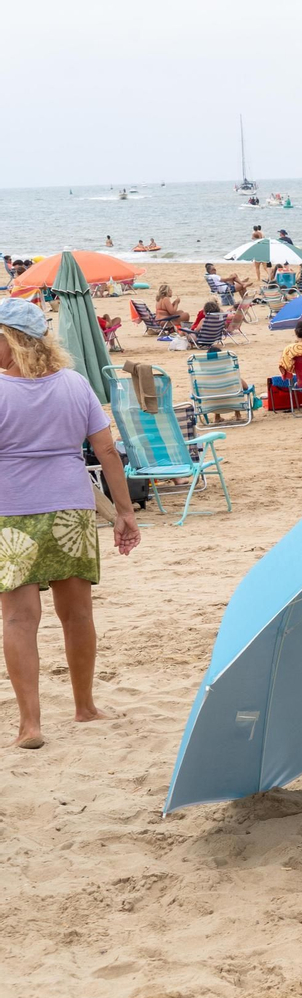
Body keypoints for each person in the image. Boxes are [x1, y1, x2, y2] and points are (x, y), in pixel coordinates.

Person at [0, 299, 140, 750]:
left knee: (20, 618)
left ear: (12, 340)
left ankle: (31, 725)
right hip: (71, 510)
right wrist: (124, 511)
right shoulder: (75, 385)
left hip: (11, 511)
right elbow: (107, 452)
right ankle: (84, 707)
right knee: (77, 614)